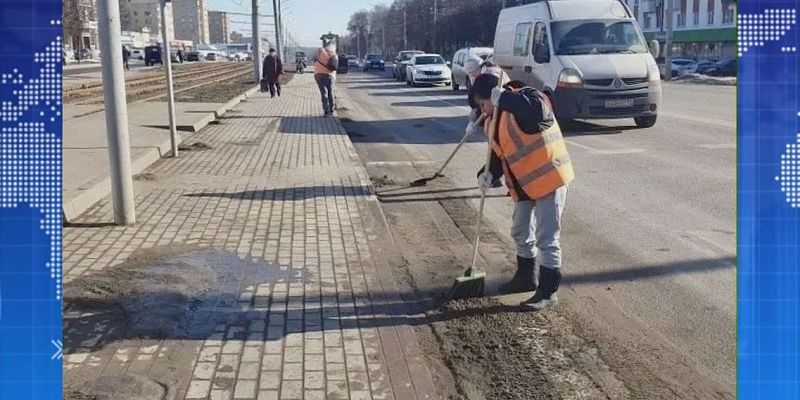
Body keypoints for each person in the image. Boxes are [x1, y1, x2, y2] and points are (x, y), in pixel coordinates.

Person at [471, 72, 575, 310]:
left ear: (493, 95)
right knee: (520, 230)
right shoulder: (493, 121)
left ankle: (548, 291)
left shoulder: (528, 97)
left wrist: (505, 99)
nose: (482, 110)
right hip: (525, 185)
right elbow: (499, 155)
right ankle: (526, 277)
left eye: (483, 103)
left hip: (550, 178)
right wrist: (487, 174)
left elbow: (538, 112)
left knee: (547, 238)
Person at [313, 42, 338, 116]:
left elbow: (314, 59)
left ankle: (326, 111)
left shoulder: (320, 51)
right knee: (331, 93)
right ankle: (331, 110)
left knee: (323, 93)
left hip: (318, 74)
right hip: (330, 76)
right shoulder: (334, 55)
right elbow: (335, 68)